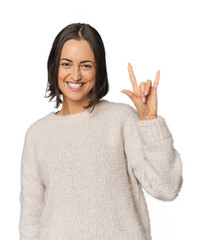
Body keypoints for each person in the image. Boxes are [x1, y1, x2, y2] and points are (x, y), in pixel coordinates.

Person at [19, 22, 183, 240]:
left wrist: (150, 120)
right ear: (54, 67)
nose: (75, 75)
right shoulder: (37, 135)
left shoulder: (121, 119)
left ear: (99, 69)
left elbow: (167, 187)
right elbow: (31, 222)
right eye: (66, 64)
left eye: (86, 65)